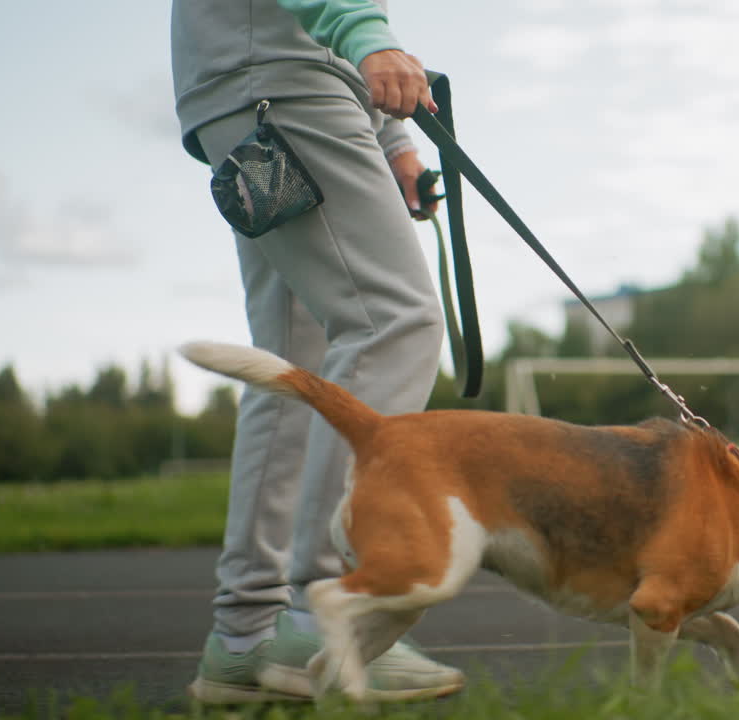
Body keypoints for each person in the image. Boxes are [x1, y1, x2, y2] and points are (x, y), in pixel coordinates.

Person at [170, 0, 464, 704]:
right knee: (395, 322)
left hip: (252, 89)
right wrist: (365, 36)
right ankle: (331, 610)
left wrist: (393, 139)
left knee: (292, 371)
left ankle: (245, 637)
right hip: (284, 83)